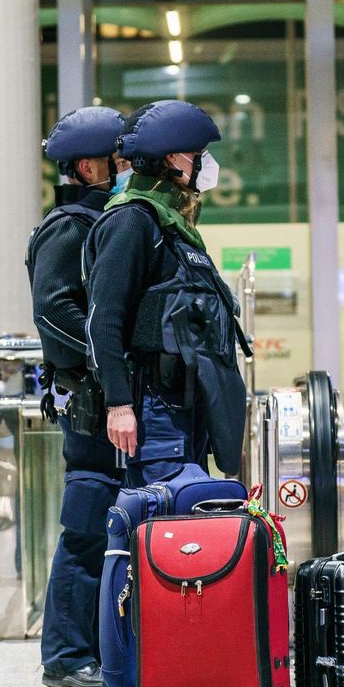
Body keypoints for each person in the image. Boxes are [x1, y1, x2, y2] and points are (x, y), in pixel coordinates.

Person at [84, 100, 251, 489]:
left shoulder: (173, 224)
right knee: (165, 527)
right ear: (173, 158)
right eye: (198, 155)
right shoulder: (132, 220)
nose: (205, 163)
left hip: (187, 410)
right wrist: (119, 404)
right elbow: (104, 316)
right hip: (155, 412)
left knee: (190, 525)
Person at [27, 106, 130, 687]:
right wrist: (106, 359)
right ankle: (65, 655)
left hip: (98, 392)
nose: (125, 170)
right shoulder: (69, 225)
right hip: (88, 398)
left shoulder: (104, 219)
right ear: (88, 166)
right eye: (117, 161)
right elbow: (53, 311)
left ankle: (96, 644)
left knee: (106, 520)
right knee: (88, 521)